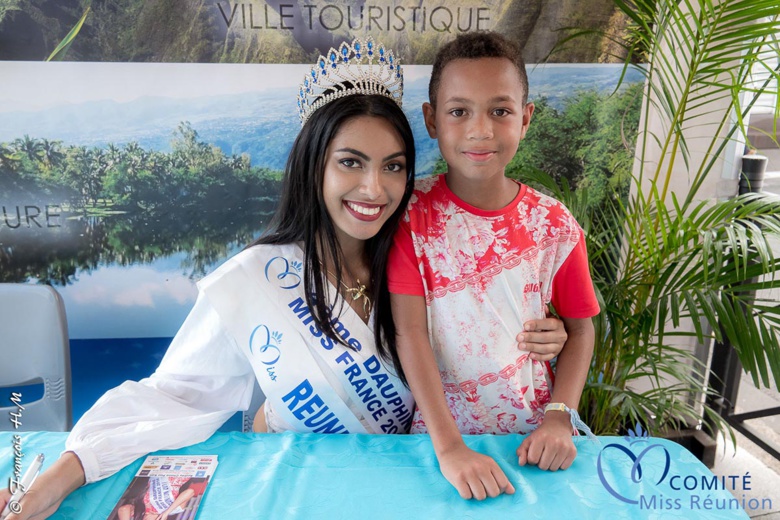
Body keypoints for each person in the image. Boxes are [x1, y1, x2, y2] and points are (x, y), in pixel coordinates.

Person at [0, 38, 567, 519]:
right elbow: (172, 396)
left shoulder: (423, 251)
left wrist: (549, 332)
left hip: (412, 485)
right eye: (350, 162)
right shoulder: (258, 277)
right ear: (314, 164)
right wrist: (58, 478)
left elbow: (486, 321)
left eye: (393, 166)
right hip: (298, 489)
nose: (374, 189)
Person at [387, 31, 600, 501]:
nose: (480, 130)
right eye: (458, 111)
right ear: (432, 119)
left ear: (525, 119)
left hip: (533, 440)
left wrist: (559, 418)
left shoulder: (554, 224)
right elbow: (410, 332)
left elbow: (581, 330)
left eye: (500, 111)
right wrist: (449, 448)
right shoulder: (410, 216)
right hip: (439, 440)